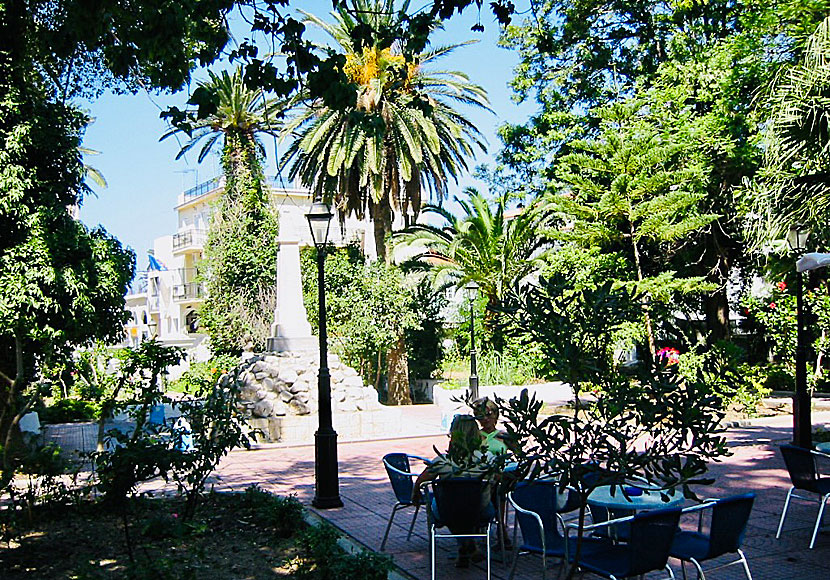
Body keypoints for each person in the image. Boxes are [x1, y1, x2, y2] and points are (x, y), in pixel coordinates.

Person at [412, 414, 495, 568]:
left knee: (449, 507)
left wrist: (415, 494)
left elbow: (420, 481)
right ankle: (468, 545)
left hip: (448, 511)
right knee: (471, 507)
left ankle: (465, 546)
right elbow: (499, 479)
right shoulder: (486, 459)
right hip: (479, 510)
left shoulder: (443, 461)